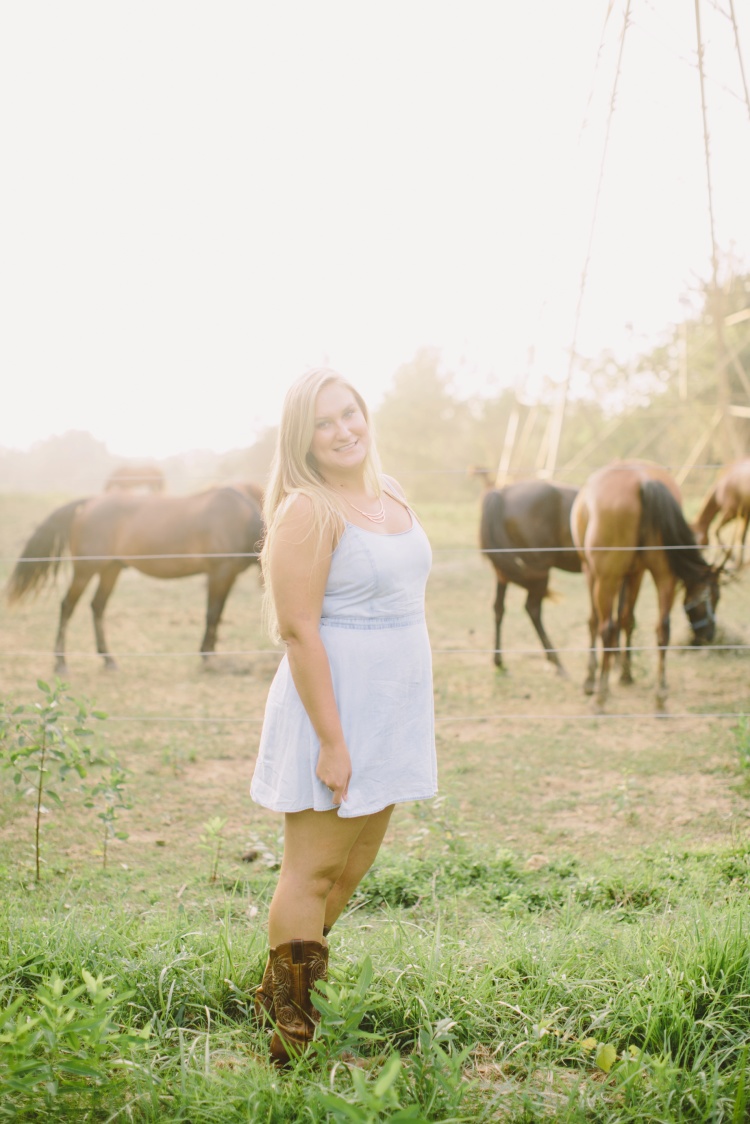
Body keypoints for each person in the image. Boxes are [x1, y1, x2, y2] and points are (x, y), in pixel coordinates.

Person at [250, 366, 437, 1065]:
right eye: (323, 422)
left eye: (349, 412)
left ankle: (277, 992)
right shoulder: (309, 509)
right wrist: (333, 741)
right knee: (312, 873)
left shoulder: (389, 495)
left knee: (350, 872)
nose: (342, 430)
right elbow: (299, 629)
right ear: (303, 439)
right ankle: (292, 1044)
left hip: (391, 714)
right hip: (335, 713)